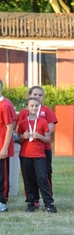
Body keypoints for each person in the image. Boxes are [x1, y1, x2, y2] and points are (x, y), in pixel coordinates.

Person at [16, 86, 58, 208]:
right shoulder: (24, 114)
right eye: (35, 94)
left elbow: (50, 131)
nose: (37, 97)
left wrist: (39, 136)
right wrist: (24, 136)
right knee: (29, 176)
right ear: (29, 95)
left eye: (40, 95)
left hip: (43, 149)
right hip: (27, 151)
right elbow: (19, 134)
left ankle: (48, 200)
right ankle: (32, 200)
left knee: (44, 175)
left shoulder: (46, 110)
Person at [0, 79, 14, 212]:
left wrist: (4, 148)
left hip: (1, 148)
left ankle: (2, 201)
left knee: (2, 176)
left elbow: (10, 127)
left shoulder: (4, 105)